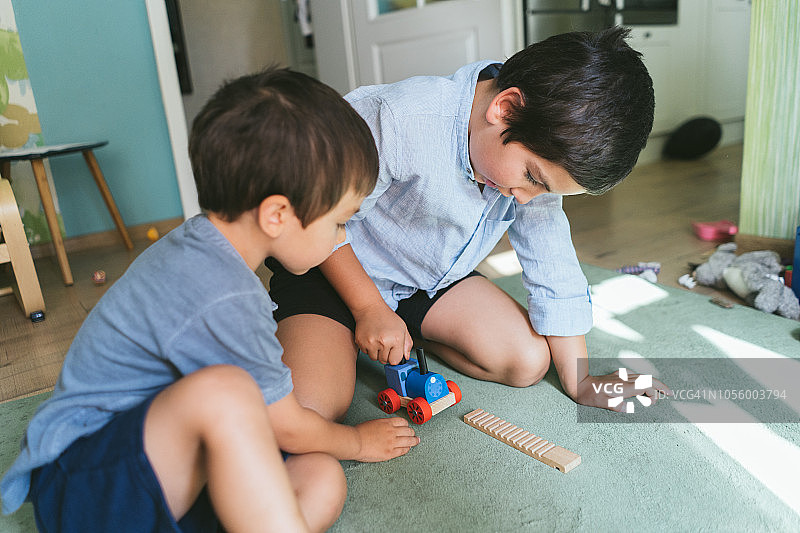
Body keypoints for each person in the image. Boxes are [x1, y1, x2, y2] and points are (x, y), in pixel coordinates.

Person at [0, 67, 419, 533]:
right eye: (340, 222)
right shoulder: (221, 291)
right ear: (278, 214)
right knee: (233, 396)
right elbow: (284, 425)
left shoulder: (208, 246)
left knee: (320, 476)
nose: (342, 239)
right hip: (87, 485)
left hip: (167, 466)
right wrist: (357, 442)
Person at [266, 27, 669, 422]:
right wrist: (369, 308)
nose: (528, 198)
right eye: (532, 178)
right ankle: (342, 332)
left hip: (426, 280)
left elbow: (553, 262)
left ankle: (407, 331)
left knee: (528, 362)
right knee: (313, 408)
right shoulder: (396, 117)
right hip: (333, 269)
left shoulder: (532, 156)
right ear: (505, 108)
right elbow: (317, 222)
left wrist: (582, 383)